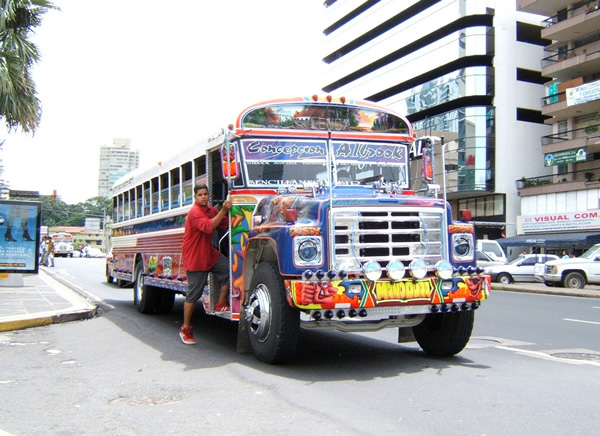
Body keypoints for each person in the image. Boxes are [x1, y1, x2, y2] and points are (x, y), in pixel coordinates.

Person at [179, 183, 232, 345]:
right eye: (200, 195)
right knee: (193, 295)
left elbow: (223, 223)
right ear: (195, 197)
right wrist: (223, 210)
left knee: (229, 270)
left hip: (209, 254)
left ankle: (222, 302)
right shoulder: (194, 213)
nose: (203, 197)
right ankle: (185, 328)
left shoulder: (211, 210)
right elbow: (209, 227)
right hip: (196, 258)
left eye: (206, 194)